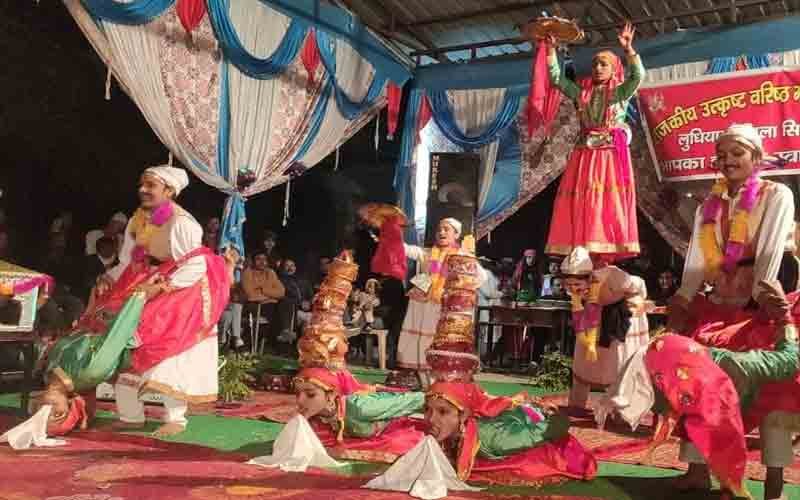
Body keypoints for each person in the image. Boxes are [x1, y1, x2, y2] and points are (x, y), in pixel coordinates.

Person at [43, 165, 232, 437]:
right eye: (142, 184)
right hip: (147, 279)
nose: (143, 189)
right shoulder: (138, 219)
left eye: (151, 185)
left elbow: (196, 264)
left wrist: (162, 288)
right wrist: (109, 277)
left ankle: (176, 419)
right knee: (119, 339)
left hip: (182, 288)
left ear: (169, 191)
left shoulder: (182, 223)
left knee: (164, 349)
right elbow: (128, 261)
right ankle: (131, 416)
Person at [602, 282, 799, 500]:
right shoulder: (712, 367)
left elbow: (789, 361)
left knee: (772, 411)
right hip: (708, 375)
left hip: (757, 383)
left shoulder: (740, 366)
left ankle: (763, 487)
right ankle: (719, 480)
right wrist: (779, 318)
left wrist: (784, 319)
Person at [421, 251, 597, 484]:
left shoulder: (494, 440)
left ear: (463, 415)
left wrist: (550, 416)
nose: (431, 419)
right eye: (428, 410)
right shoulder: (452, 431)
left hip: (533, 424)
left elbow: (556, 427)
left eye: (443, 412)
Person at [667, 124, 797, 350]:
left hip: (770, 296)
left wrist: (770, 306)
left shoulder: (776, 195)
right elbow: (696, 264)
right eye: (721, 156)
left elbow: (769, 254)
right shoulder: (707, 207)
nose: (728, 161)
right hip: (722, 300)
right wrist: (682, 302)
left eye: (737, 153)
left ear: (756, 157)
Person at [290, 251, 426, 462]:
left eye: (309, 394)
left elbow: (419, 400)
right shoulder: (317, 414)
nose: (299, 401)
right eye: (298, 393)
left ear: (331, 397)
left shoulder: (360, 408)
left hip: (392, 413)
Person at [544, 23, 644, 262]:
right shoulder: (582, 93)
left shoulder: (619, 92)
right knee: (583, 202)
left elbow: (638, 76)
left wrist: (629, 49)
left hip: (609, 155)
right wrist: (550, 50)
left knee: (605, 202)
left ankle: (603, 254)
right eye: (595, 64)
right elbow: (556, 78)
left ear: (614, 68)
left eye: (604, 64)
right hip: (584, 155)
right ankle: (583, 253)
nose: (598, 68)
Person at [393, 218, 484, 386]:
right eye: (439, 229)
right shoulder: (428, 253)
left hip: (444, 305)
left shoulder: (462, 256)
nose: (441, 232)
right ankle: (423, 381)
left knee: (437, 341)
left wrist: (460, 291)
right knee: (418, 341)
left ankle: (437, 382)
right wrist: (391, 232)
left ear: (456, 234)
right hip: (422, 303)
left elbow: (481, 277)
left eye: (446, 229)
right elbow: (405, 249)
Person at [560, 246, 649, 413]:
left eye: (577, 284)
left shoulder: (614, 274)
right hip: (592, 319)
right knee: (583, 363)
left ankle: (619, 410)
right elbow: (579, 311)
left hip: (617, 322)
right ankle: (576, 404)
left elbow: (638, 286)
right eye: (569, 284)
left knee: (617, 367)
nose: (573, 288)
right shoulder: (574, 284)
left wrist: (633, 300)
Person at [242, 250, 285, 348]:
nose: (262, 262)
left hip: (269, 305)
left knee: (283, 304)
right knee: (273, 308)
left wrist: (263, 290)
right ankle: (278, 340)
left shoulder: (270, 272)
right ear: (253, 261)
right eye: (258, 259)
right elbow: (250, 295)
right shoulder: (247, 273)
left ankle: (277, 338)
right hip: (252, 306)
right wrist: (271, 297)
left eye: (264, 259)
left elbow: (281, 292)